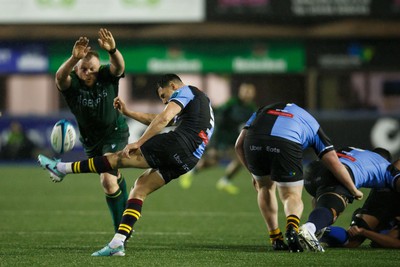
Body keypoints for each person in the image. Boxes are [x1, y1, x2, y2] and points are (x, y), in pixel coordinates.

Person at [38, 74, 215, 256]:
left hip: (178, 143)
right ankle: (117, 243)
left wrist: (139, 142)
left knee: (117, 159)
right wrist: (129, 112)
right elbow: (161, 119)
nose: (163, 101)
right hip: (190, 159)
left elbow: (163, 119)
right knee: (140, 188)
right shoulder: (199, 101)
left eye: (163, 96)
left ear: (173, 86)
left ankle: (61, 169)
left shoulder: (186, 91)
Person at [235, 103, 363, 252]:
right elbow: (334, 162)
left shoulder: (262, 110)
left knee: (264, 187)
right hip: (285, 143)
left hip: (254, 141)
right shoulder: (312, 124)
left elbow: (238, 145)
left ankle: (275, 238)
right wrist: (354, 190)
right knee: (291, 194)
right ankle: (292, 228)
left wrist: (253, 173)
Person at [51, 28, 130, 233]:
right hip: (91, 141)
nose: (89, 73)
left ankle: (120, 232)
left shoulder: (105, 75)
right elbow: (60, 77)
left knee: (107, 179)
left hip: (115, 132)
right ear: (77, 69)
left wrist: (113, 50)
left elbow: (119, 66)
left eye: (92, 69)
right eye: (84, 68)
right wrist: (72, 58)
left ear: (99, 67)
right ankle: (124, 221)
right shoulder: (73, 84)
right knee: (112, 179)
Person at [299, 147, 400, 252]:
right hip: (339, 173)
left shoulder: (358, 152)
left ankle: (313, 230)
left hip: (312, 171)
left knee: (325, 212)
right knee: (332, 210)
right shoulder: (387, 168)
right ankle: (310, 228)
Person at [180, 83, 257, 194]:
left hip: (233, 139)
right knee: (213, 161)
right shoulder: (232, 103)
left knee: (241, 159)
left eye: (249, 92)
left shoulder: (251, 108)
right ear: (240, 92)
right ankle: (192, 172)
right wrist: (213, 139)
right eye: (245, 91)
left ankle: (225, 181)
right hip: (221, 137)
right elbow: (218, 117)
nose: (247, 94)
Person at [317, 187, 400, 249]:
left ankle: (318, 231)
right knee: (353, 240)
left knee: (352, 241)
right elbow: (396, 243)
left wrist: (364, 232)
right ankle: (316, 229)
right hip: (389, 193)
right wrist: (363, 231)